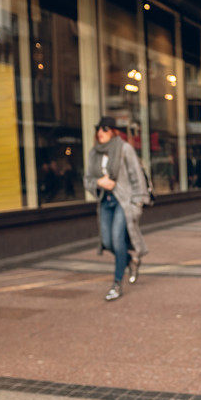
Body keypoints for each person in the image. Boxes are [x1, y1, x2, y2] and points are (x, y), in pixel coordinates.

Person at [84, 116, 150, 301]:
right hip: (106, 202)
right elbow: (87, 179)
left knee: (117, 239)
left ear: (113, 132)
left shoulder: (124, 149)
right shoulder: (94, 153)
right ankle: (131, 261)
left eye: (104, 129)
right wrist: (99, 182)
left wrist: (137, 202)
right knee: (107, 241)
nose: (100, 133)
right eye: (98, 129)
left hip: (124, 201)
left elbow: (137, 176)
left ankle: (116, 284)